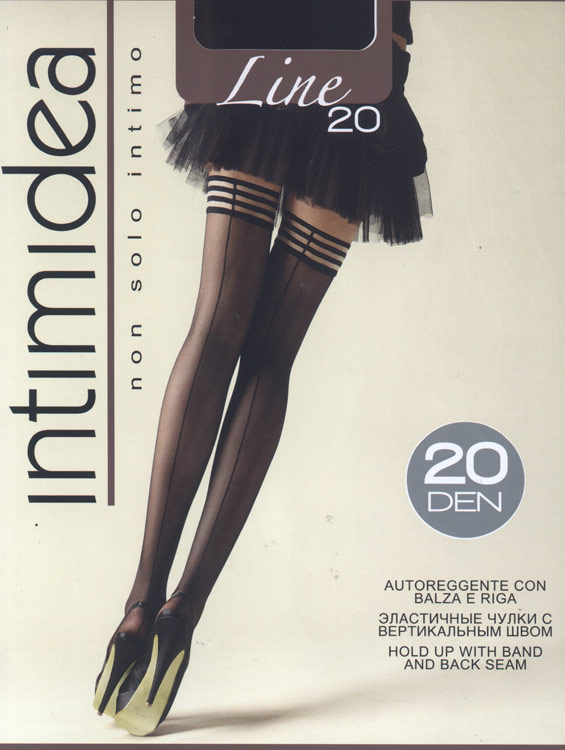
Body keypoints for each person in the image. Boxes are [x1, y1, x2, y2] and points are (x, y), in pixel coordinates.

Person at [93, 0, 430, 736]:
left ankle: (140, 604)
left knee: (213, 330)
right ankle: (182, 616)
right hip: (358, 73)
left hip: (259, 48)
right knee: (271, 358)